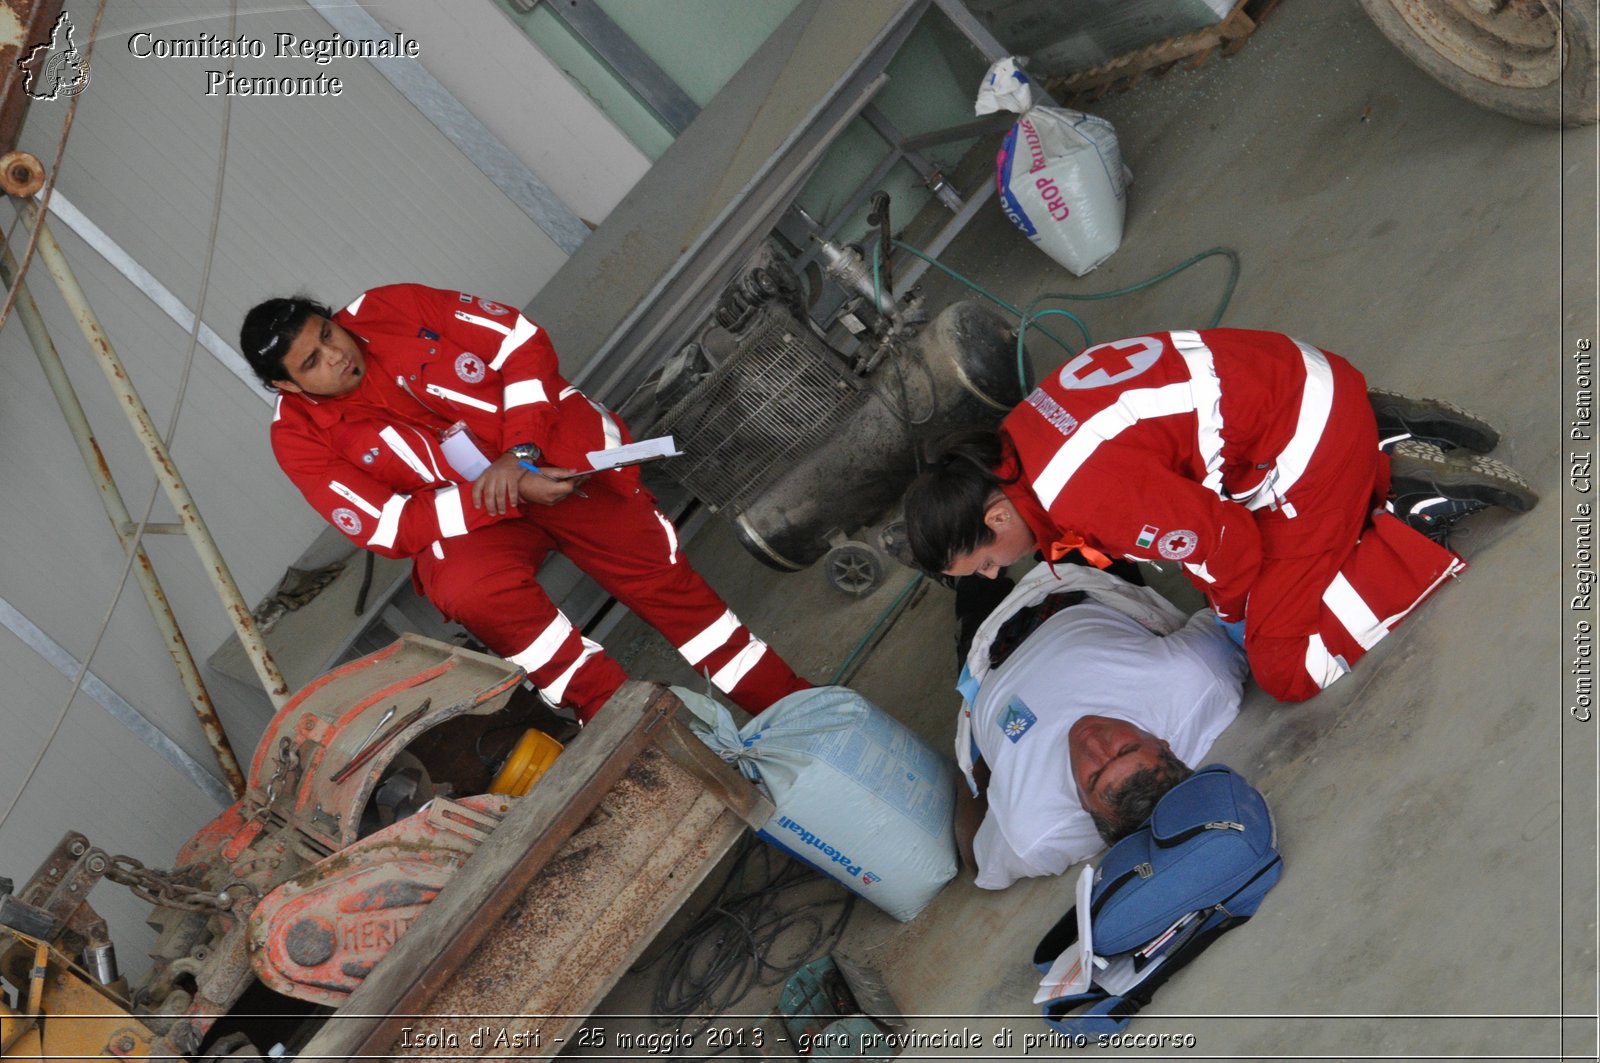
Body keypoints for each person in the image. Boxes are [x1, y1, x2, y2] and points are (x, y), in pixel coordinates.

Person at [241, 283, 812, 724]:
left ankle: (796, 712)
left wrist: (522, 452)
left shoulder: (393, 307)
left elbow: (519, 341)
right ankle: (630, 725)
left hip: (553, 453)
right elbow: (387, 526)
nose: (335, 355)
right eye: (311, 363)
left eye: (326, 334)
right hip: (478, 517)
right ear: (286, 387)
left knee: (675, 597)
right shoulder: (295, 437)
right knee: (465, 588)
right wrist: (503, 489)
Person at [903, 328, 1537, 702]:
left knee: (1286, 666)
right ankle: (1378, 426)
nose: (992, 576)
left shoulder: (1081, 493)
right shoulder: (1021, 433)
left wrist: (1238, 617)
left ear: (994, 519)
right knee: (1248, 577)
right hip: (1289, 377)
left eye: (984, 562)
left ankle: (1406, 506)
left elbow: (1231, 546)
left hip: (1301, 441)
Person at [951, 562, 1247, 890]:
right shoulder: (1195, 681)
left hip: (985, 661)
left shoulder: (1038, 833)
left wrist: (975, 766)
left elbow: (975, 858)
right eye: (1125, 748)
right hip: (1072, 591)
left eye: (1093, 777)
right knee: (1068, 519)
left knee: (970, 572)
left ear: (1082, 804)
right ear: (1163, 742)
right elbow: (1229, 611)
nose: (1094, 743)